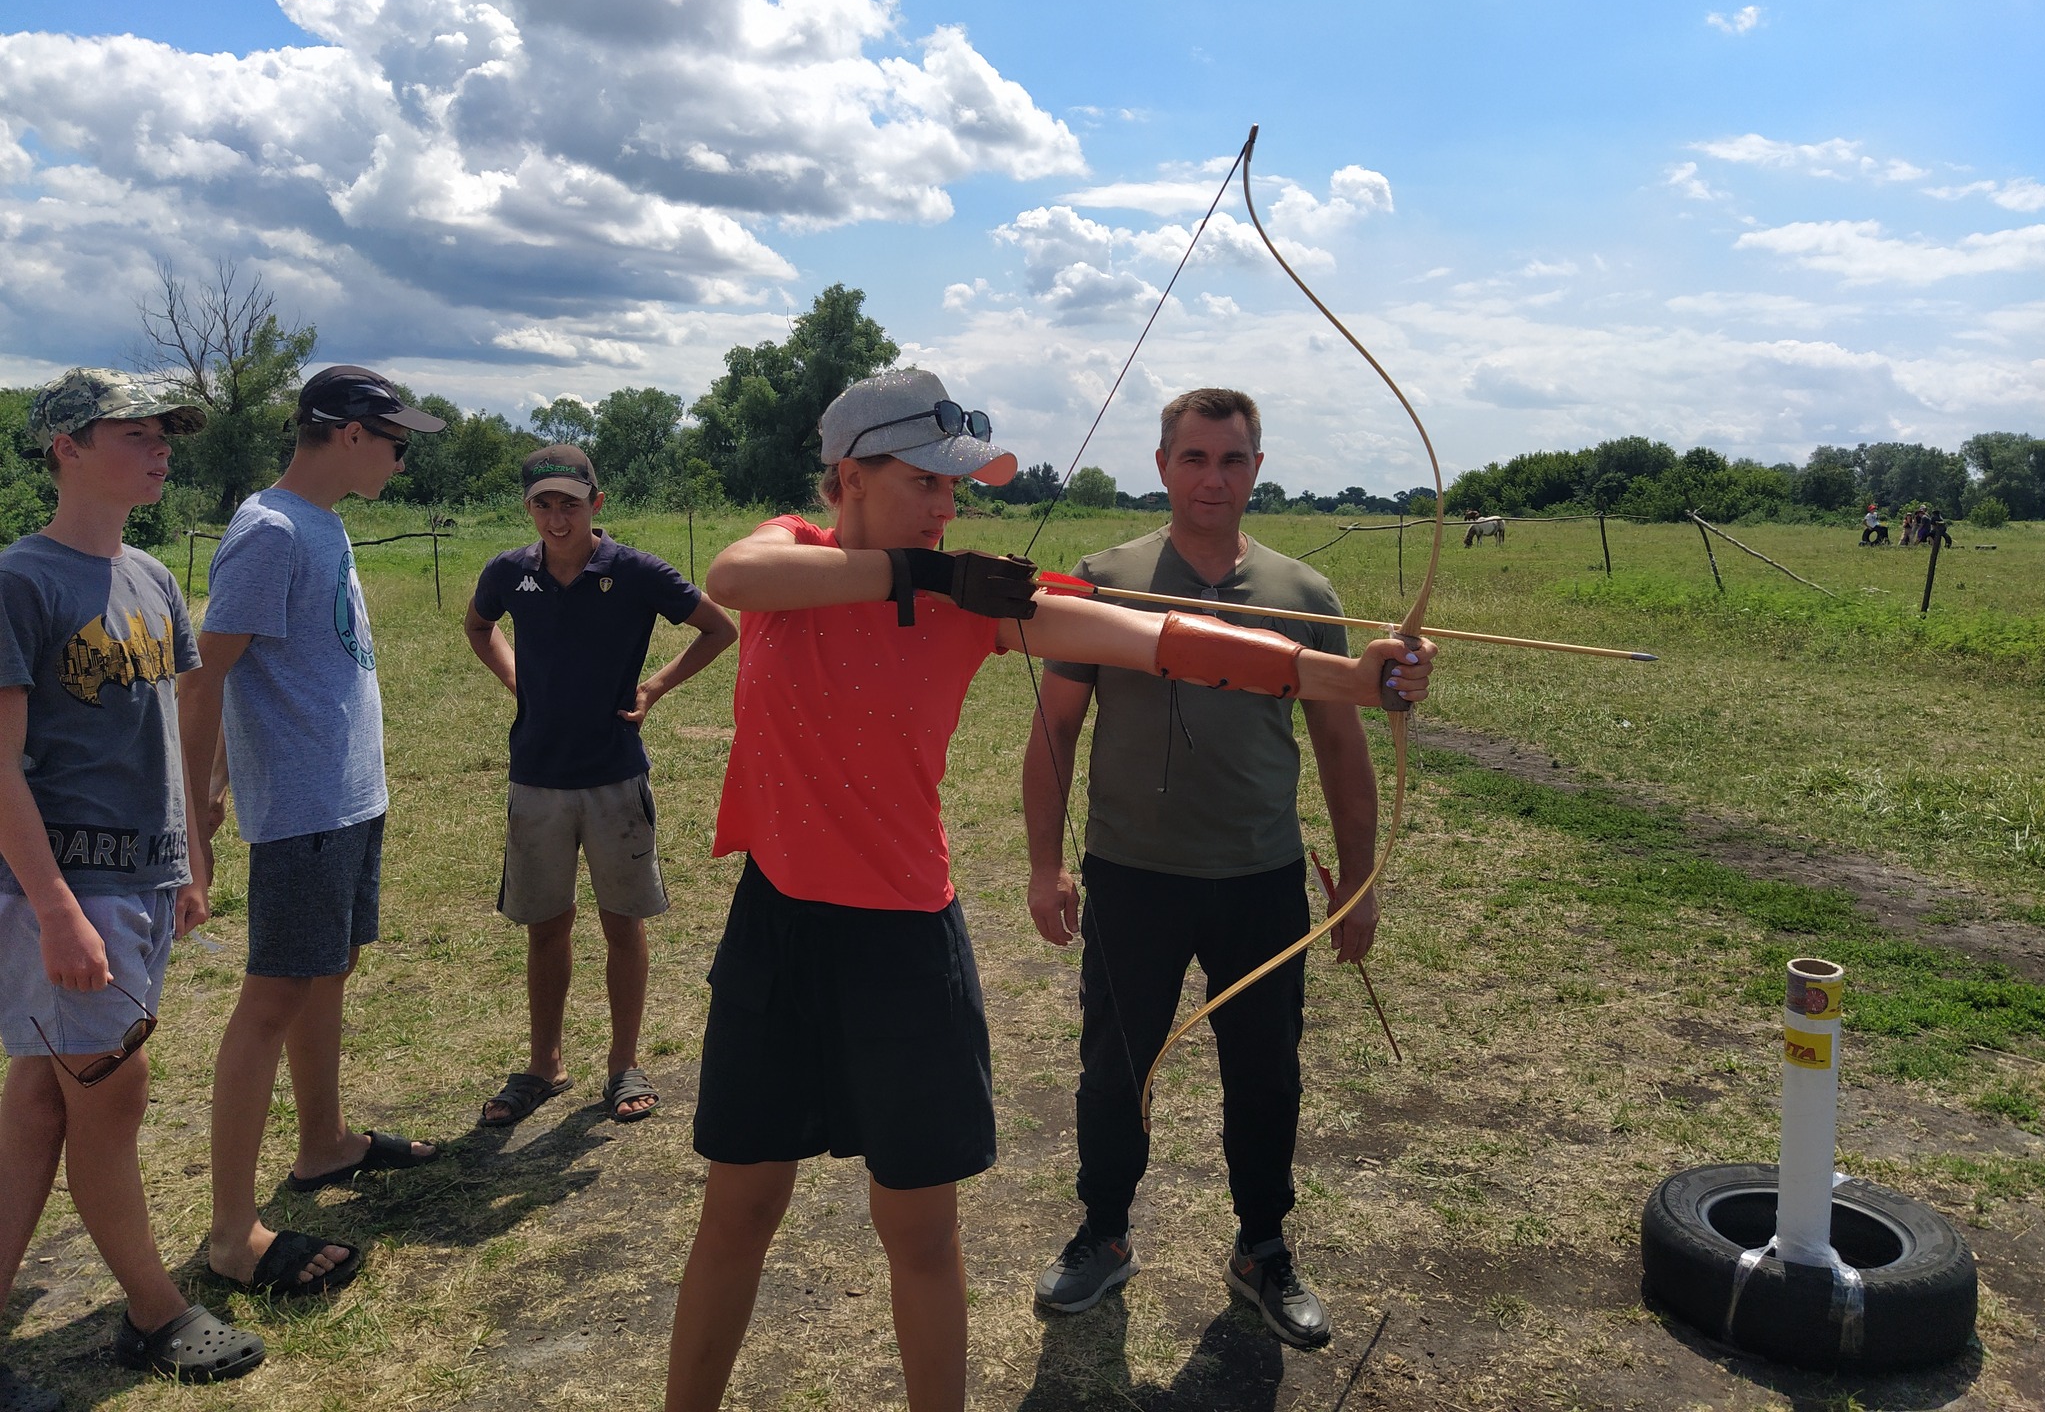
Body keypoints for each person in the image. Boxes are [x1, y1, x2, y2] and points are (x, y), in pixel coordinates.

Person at [662, 369, 1434, 1412]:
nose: (947, 511)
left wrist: (1344, 678)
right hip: (779, 931)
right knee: (740, 1209)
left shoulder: (974, 603)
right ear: (847, 474)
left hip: (903, 944)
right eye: (923, 484)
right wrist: (916, 577)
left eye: (955, 490)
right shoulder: (795, 554)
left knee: (921, 1232)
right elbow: (734, 577)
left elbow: (1160, 642)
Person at [1021, 387, 1395, 1351]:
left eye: (1232, 460)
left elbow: (1346, 748)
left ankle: (1262, 1246)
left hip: (1260, 880)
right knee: (1115, 1068)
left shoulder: (1303, 597)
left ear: (1257, 471)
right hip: (1130, 877)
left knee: (1266, 1074)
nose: (1213, 479)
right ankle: (1103, 1236)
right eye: (1194, 459)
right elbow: (1055, 730)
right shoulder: (1102, 581)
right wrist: (1043, 865)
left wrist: (1360, 882)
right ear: (1162, 466)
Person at [0, 369, 265, 1398]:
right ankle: (155, 1312)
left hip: (141, 884)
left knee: (41, 1104)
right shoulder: (23, 580)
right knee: (110, 1102)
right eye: (136, 432)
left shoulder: (151, 576)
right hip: (64, 895)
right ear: (67, 444)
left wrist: (188, 860)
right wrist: (61, 911)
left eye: (166, 434)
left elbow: (167, 733)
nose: (160, 448)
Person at [177, 365, 445, 1300]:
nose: (402, 458)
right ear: (345, 433)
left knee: (328, 969)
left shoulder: (321, 524)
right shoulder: (270, 529)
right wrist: (196, 811)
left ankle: (325, 1144)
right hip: (302, 813)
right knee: (272, 999)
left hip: (346, 801)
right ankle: (228, 1232)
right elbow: (206, 677)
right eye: (395, 439)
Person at [465, 444, 737, 1128]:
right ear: (527, 507)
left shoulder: (637, 572)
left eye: (571, 505)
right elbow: (478, 625)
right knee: (546, 927)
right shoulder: (508, 571)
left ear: (597, 504)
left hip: (615, 775)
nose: (557, 520)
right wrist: (513, 676)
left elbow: (719, 628)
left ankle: (623, 1063)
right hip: (538, 777)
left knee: (623, 923)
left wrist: (655, 687)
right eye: (543, 505)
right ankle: (544, 1064)